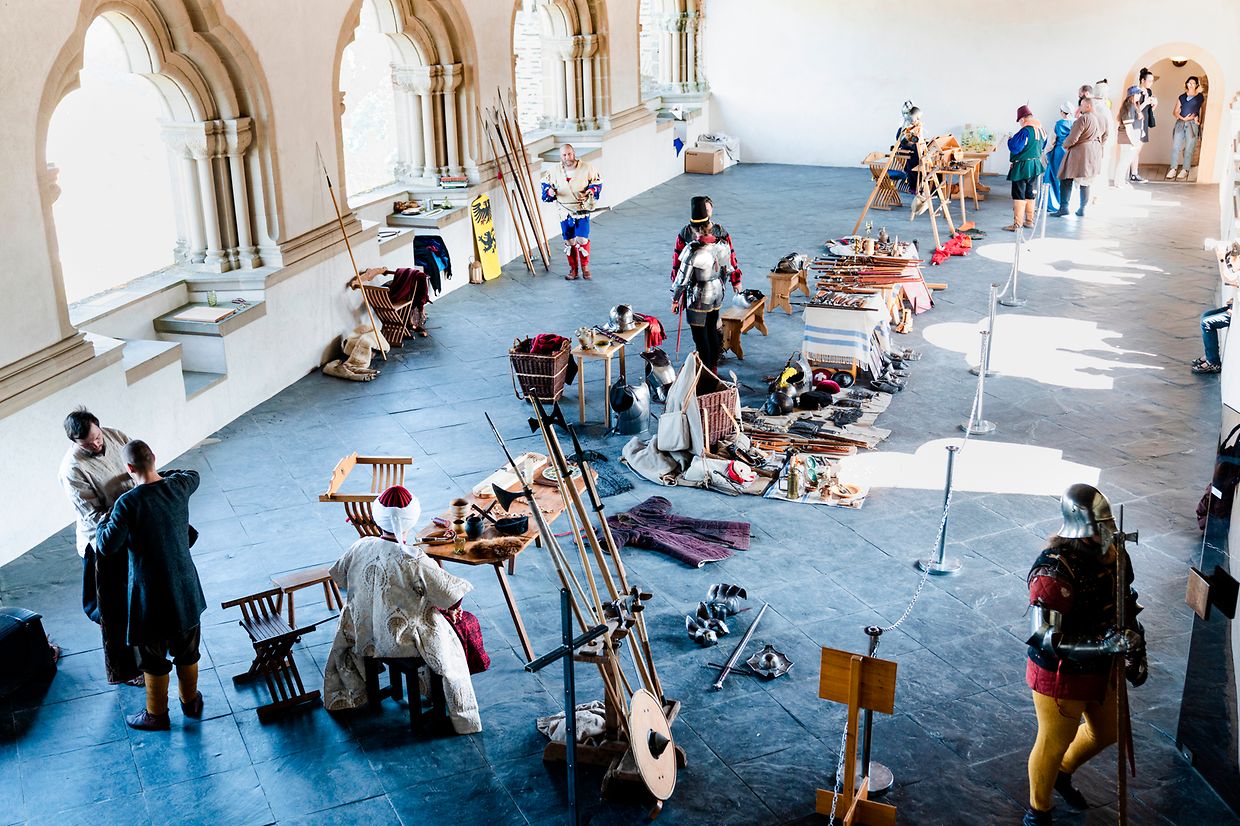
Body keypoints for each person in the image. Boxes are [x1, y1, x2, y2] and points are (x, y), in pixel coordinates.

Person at [1023, 484, 1147, 826]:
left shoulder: (1116, 554)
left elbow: (1126, 602)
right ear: (1082, 528)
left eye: (1109, 525)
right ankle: (1038, 810)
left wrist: (1138, 650)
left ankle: (1062, 773)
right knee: (1052, 742)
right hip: (1059, 672)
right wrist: (1106, 645)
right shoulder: (1053, 571)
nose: (1109, 534)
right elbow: (1044, 636)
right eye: (1101, 527)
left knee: (1107, 731)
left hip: (1102, 666)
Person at [322, 485, 483, 734]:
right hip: (401, 640)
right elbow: (451, 596)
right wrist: (448, 609)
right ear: (412, 518)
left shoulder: (361, 545)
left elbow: (340, 577)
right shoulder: (414, 559)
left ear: (378, 516)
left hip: (361, 629)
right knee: (460, 627)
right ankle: (456, 711)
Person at [94, 440, 205, 731]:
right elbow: (191, 473)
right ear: (153, 458)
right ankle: (190, 700)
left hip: (149, 596)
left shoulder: (127, 503)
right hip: (185, 588)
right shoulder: (180, 486)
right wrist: (161, 474)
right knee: (188, 648)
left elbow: (107, 546)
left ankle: (156, 714)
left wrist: (102, 523)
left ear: (129, 469)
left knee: (152, 658)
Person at [57, 407, 142, 686]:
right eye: (88, 443)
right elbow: (94, 515)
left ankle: (149, 647)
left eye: (96, 437)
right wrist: (128, 505)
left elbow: (136, 469)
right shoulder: (72, 468)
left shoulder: (115, 436)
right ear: (75, 442)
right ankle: (128, 668)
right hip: (103, 540)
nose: (96, 444)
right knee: (112, 609)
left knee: (140, 592)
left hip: (133, 524)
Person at [672, 224, 737, 374]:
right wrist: (721, 287)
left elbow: (681, 280)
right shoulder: (722, 245)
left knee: (701, 338)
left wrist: (675, 300)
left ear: (695, 230)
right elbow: (727, 271)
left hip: (699, 295)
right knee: (712, 332)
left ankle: (706, 374)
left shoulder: (692, 249)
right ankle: (713, 369)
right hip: (717, 292)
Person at [541, 143, 602, 280]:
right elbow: (545, 188)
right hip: (564, 211)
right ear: (561, 156)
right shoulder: (553, 171)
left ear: (573, 153)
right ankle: (573, 269)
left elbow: (597, 183)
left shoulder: (587, 168)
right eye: (564, 155)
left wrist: (590, 191)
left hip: (581, 209)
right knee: (569, 241)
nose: (567, 157)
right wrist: (550, 192)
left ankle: (585, 268)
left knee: (582, 238)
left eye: (569, 154)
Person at [670, 196, 742, 289]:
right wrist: (677, 282)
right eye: (703, 210)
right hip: (692, 284)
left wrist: (736, 281)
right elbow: (677, 259)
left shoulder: (720, 232)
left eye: (707, 209)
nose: (705, 212)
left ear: (712, 209)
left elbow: (730, 256)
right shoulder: (686, 233)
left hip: (715, 282)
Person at [1053, 96, 1108, 218]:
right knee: (1086, 182)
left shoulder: (1083, 118)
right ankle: (1083, 208)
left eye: (1082, 105)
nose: (1080, 108)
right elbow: (1106, 136)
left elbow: (1073, 138)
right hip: (1094, 153)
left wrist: (1065, 145)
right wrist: (1097, 147)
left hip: (1079, 153)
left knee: (1066, 178)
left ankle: (1064, 207)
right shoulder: (1103, 118)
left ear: (1088, 106)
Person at [1192, 241, 1240, 374]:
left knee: (1206, 322)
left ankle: (1213, 362)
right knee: (1206, 316)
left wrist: (1221, 258)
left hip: (1236, 313)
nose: (1231, 262)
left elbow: (1226, 279)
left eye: (1233, 259)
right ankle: (1210, 355)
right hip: (1234, 308)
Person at [353, 266, 431, 337]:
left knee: (406, 296)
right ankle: (407, 326)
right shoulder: (383, 292)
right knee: (407, 299)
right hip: (389, 302)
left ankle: (407, 326)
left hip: (382, 302)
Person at [1005, 105, 1047, 231]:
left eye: (1019, 121)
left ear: (1023, 119)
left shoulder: (1025, 131)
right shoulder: (1041, 130)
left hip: (1022, 167)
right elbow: (1043, 146)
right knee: (1030, 193)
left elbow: (1015, 147)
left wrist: (1010, 140)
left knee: (1018, 193)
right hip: (1035, 165)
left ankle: (1017, 224)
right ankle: (1029, 221)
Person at [1167, 76, 1205, 180]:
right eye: (1189, 82)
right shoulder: (1181, 97)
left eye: (1193, 83)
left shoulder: (1200, 97)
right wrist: (1183, 118)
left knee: (1189, 148)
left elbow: (1202, 110)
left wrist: (1199, 121)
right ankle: (1173, 169)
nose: (1190, 84)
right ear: (1186, 84)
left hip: (1192, 124)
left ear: (1197, 85)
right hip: (1180, 123)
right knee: (1176, 147)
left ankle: (1185, 170)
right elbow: (1175, 112)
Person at [1128, 68, 1157, 183]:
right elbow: (1134, 109)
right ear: (1143, 80)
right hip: (1136, 122)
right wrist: (1145, 102)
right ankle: (1133, 173)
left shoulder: (1148, 92)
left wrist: (1154, 104)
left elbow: (1149, 110)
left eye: (1152, 81)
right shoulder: (1135, 91)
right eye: (1149, 81)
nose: (1151, 83)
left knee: (1138, 149)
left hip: (1144, 122)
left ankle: (1134, 172)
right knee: (1135, 149)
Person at [1112, 86, 1144, 188]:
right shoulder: (1129, 106)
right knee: (1124, 161)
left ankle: (1120, 181)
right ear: (1132, 95)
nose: (1139, 95)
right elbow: (1129, 127)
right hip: (1127, 138)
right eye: (1138, 93)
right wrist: (1134, 141)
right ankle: (1119, 182)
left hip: (1131, 138)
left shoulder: (1134, 106)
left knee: (1125, 161)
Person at [1045, 103, 1073, 213]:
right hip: (1069, 152)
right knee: (1066, 179)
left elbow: (1051, 141)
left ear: (1062, 112)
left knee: (1052, 177)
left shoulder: (1058, 124)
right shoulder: (1075, 123)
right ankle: (1064, 203)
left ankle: (1052, 204)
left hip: (1058, 153)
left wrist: (1046, 153)